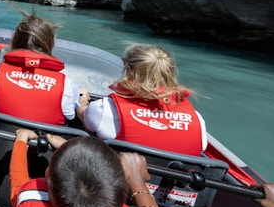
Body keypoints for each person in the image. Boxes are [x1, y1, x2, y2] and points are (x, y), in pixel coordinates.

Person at [76, 44, 207, 156]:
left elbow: (86, 117)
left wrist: (82, 100)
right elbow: (201, 148)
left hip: (120, 181)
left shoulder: (107, 109)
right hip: (177, 183)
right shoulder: (197, 120)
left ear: (129, 70)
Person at [10, 129, 160, 207]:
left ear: (48, 175)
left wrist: (21, 140)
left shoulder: (31, 202)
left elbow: (18, 182)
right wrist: (136, 181)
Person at [0, 14, 80, 125]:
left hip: (1, 139)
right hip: (44, 140)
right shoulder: (66, 85)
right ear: (50, 44)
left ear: (15, 40)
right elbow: (70, 115)